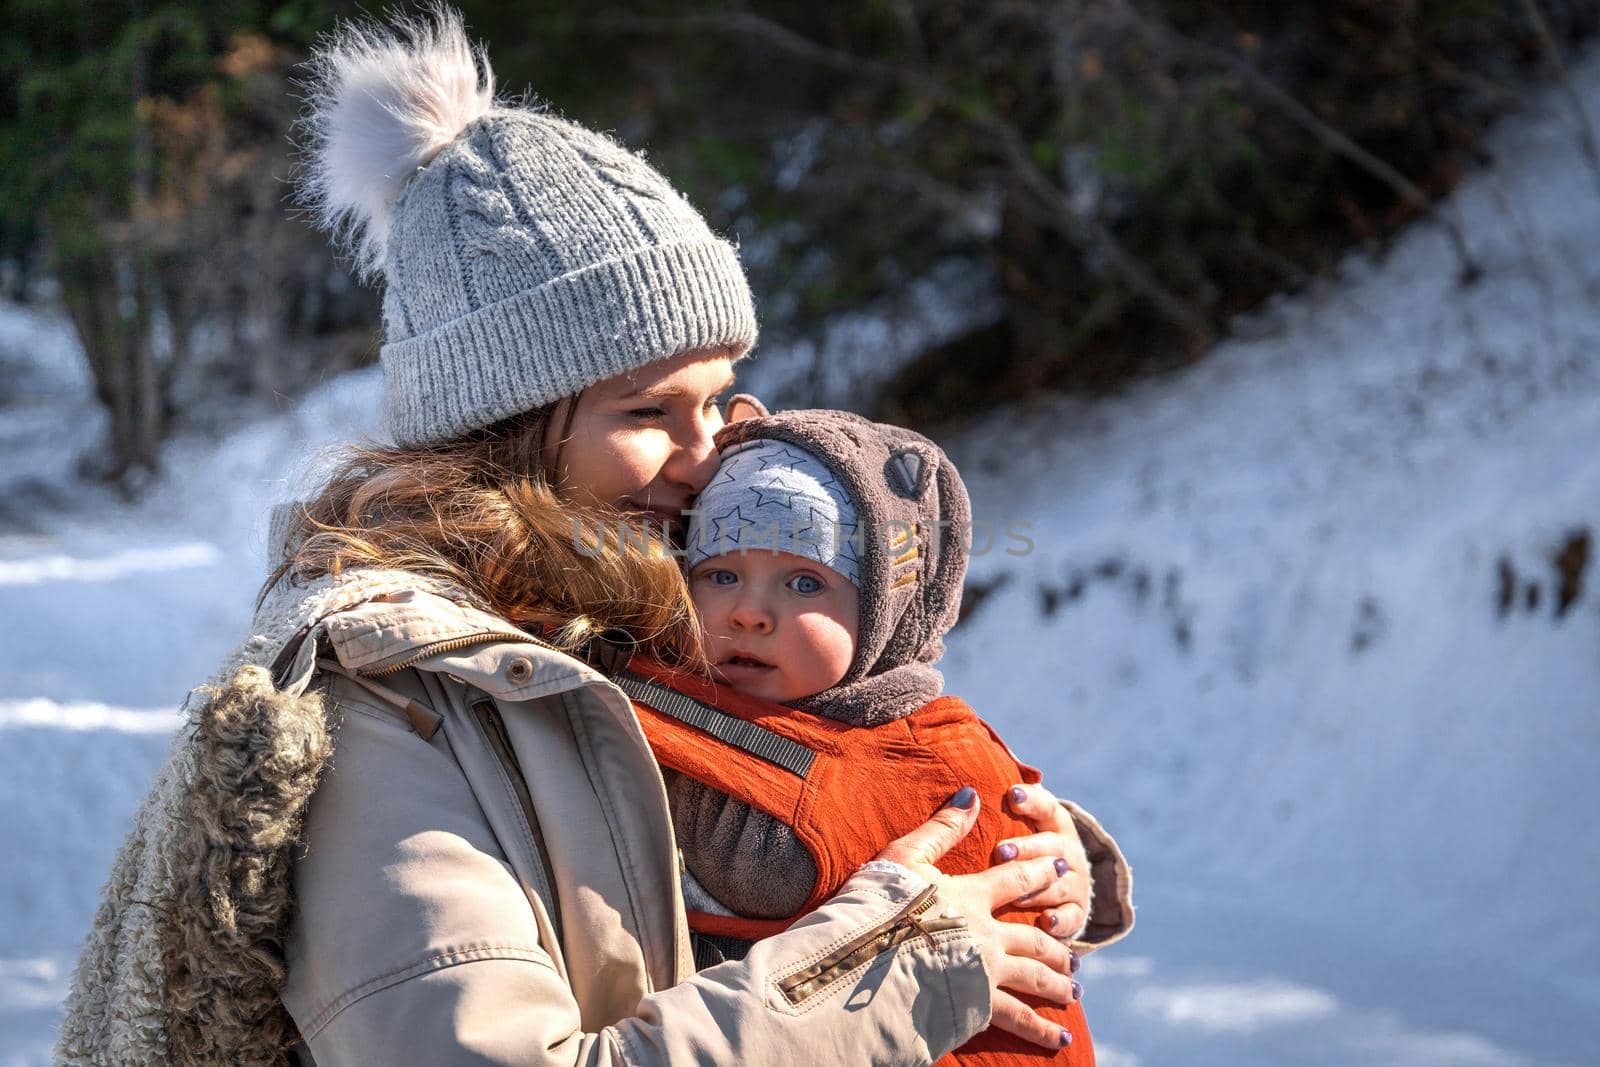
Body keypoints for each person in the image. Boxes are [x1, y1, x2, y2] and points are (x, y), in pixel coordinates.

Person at [55, 10, 1132, 1066]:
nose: (707, 455)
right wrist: (894, 970)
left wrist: (1020, 852)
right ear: (505, 426)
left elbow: (812, 777)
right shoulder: (397, 702)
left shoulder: (633, 619)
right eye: (648, 412)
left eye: (718, 402)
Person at [605, 407, 1133, 1064]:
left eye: (805, 581)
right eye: (720, 573)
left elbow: (778, 858)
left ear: (885, 606)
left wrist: (1065, 861)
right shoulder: (725, 705)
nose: (748, 612)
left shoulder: (923, 748)